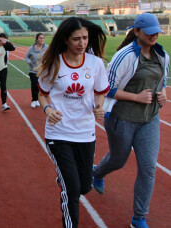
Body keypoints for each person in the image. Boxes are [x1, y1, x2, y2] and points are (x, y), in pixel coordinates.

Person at [93, 13, 169, 228]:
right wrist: (136, 97)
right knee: (119, 160)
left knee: (148, 168)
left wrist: (162, 94)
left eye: (156, 31)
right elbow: (106, 89)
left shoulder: (163, 56)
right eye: (149, 31)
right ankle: (97, 172)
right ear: (136, 31)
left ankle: (139, 217)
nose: (154, 35)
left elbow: (161, 82)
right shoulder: (124, 56)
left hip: (150, 119)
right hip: (122, 119)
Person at [37, 17, 109, 228]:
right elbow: (42, 94)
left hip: (85, 132)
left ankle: (66, 178)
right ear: (66, 40)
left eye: (85, 38)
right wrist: (47, 109)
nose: (82, 43)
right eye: (76, 39)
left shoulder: (95, 63)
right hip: (58, 134)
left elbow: (100, 92)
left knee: (85, 186)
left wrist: (99, 106)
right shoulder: (55, 63)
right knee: (72, 189)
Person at [25, 33, 48, 108]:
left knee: (40, 86)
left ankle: (38, 99)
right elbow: (27, 57)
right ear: (37, 39)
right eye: (40, 38)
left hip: (43, 71)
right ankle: (34, 100)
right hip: (33, 70)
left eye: (43, 38)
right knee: (34, 85)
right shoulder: (32, 48)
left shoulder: (46, 48)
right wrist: (29, 62)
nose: (42, 40)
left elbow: (50, 56)